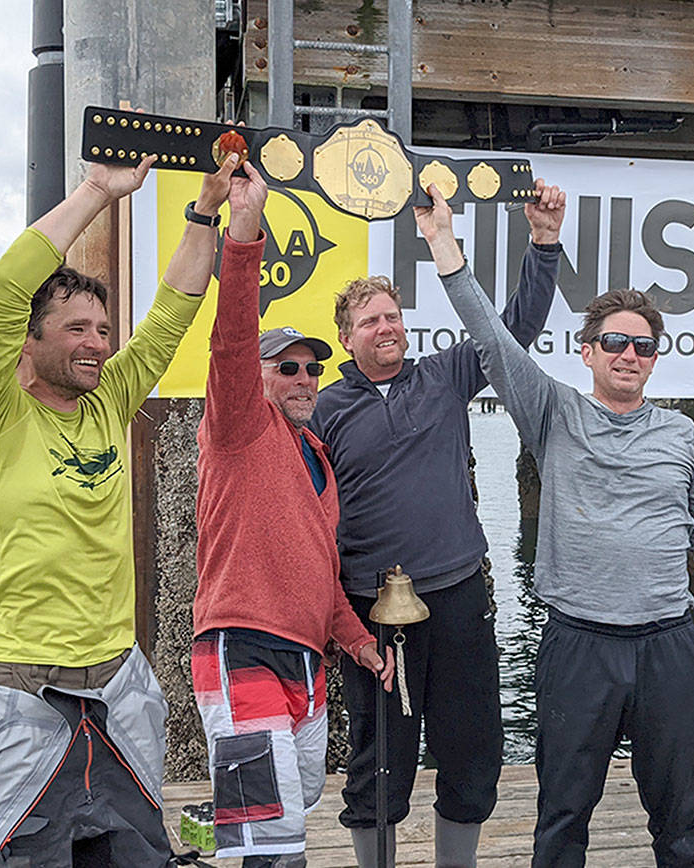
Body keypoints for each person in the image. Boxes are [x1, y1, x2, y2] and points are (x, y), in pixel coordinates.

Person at [413, 186, 694, 868]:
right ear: (587, 352)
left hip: (669, 645)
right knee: (563, 819)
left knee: (682, 821)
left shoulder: (682, 435)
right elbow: (490, 334)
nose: (629, 354)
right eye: (615, 342)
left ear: (655, 357)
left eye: (643, 345)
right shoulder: (552, 412)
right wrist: (442, 242)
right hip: (579, 646)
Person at [0, 152, 229, 867]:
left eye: (102, 329)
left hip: (115, 685)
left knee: (132, 855)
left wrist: (205, 210)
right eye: (76, 329)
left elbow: (172, 314)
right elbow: (3, 291)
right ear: (28, 340)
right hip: (19, 687)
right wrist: (97, 191)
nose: (98, 344)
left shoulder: (107, 404)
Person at [309, 178, 566, 867]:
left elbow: (515, 330)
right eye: (370, 321)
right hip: (372, 608)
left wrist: (544, 244)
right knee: (379, 757)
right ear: (346, 338)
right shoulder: (325, 409)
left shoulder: (445, 376)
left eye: (393, 316)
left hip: (457, 596)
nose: (386, 327)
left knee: (472, 747)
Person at [190, 157, 394, 868]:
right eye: (287, 367)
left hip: (308, 663)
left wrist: (358, 642)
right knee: (272, 844)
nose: (305, 378)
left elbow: (319, 574)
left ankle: (223, 835)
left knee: (290, 811)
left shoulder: (317, 458)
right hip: (243, 648)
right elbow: (231, 337)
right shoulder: (238, 426)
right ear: (257, 379)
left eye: (313, 368)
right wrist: (243, 230)